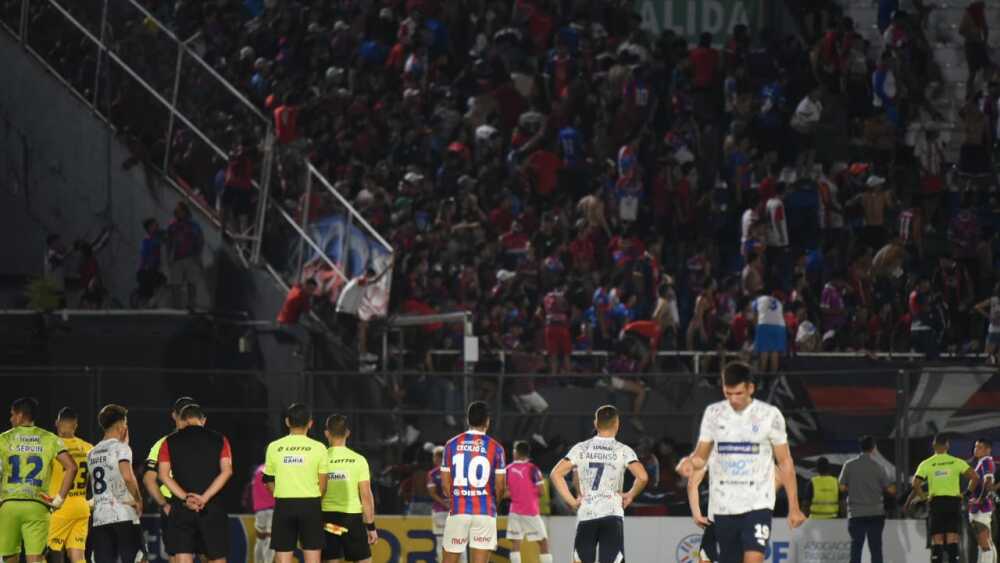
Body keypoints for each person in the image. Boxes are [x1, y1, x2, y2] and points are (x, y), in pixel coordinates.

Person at [676, 362, 806, 563]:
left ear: (750, 388)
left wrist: (794, 506)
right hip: (724, 508)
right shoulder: (713, 413)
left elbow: (785, 462)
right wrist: (689, 462)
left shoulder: (769, 416)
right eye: (728, 394)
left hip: (757, 507)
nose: (733, 400)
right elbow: (701, 456)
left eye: (738, 393)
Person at [550, 405, 649, 563]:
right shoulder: (623, 450)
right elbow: (643, 477)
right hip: (612, 513)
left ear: (595, 424)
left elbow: (556, 474)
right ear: (617, 424)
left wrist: (571, 501)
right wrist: (630, 495)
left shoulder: (581, 448)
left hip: (587, 512)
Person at [0, 398, 77, 563]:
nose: (11, 419)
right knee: (35, 560)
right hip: (38, 505)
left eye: (12, 415)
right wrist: (58, 500)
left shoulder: (4, 439)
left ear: (20, 415)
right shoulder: (49, 438)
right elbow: (71, 467)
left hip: (9, 505)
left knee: (9, 559)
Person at [157, 404, 234, 563]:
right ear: (203, 420)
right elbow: (227, 471)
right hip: (212, 507)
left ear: (182, 421)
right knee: (216, 557)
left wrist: (186, 498)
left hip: (182, 508)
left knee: (182, 555)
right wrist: (204, 498)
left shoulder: (168, 442)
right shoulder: (220, 439)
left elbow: (163, 475)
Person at [440, 401, 507, 563]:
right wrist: (493, 504)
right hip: (485, 511)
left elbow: (444, 485)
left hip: (459, 510)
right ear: (487, 421)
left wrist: (457, 499)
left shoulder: (451, 444)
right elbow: (500, 487)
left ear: (468, 420)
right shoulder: (496, 448)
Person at [264, 403, 329, 563]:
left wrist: (282, 494)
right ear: (310, 423)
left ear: (287, 422)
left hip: (284, 505)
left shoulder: (274, 447)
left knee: (284, 558)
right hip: (311, 505)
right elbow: (323, 485)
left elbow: (268, 480)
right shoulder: (320, 448)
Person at [87, 404, 145, 563]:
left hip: (100, 518)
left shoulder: (91, 452)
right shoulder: (121, 448)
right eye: (125, 423)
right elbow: (127, 476)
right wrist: (138, 499)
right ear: (120, 425)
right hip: (124, 514)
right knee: (138, 559)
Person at [144, 396, 198, 562]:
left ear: (174, 415)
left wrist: (164, 505)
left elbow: (148, 479)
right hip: (203, 502)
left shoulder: (162, 444)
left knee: (176, 556)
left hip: (175, 505)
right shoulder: (210, 441)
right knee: (210, 554)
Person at [911, 434, 979, 563]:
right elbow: (975, 477)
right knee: (952, 538)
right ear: (947, 445)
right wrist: (966, 494)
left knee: (937, 540)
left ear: (934, 446)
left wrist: (924, 498)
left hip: (936, 503)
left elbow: (915, 484)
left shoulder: (926, 463)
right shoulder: (956, 461)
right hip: (953, 503)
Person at [320, 414, 378, 563]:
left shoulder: (319, 458)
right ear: (347, 433)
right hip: (351, 520)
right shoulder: (359, 460)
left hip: (328, 520)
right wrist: (370, 526)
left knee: (331, 559)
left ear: (327, 433)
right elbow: (365, 495)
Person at [44, 407, 92, 563]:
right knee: (78, 556)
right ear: (76, 425)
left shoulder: (52, 446)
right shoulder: (88, 448)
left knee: (50, 554)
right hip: (82, 506)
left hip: (59, 507)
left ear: (57, 423)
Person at [838, 436, 896, 563]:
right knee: (875, 549)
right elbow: (890, 490)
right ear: (873, 448)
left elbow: (842, 487)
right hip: (876, 513)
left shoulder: (849, 465)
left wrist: (853, 487)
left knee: (856, 548)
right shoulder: (879, 467)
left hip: (856, 513)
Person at [505, 441, 552, 563]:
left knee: (516, 544)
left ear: (516, 452)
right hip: (530, 511)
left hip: (514, 511)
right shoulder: (534, 470)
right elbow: (542, 492)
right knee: (543, 543)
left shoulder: (507, 469)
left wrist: (516, 493)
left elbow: (504, 492)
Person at [426, 446, 460, 563]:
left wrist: (444, 504)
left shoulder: (432, 473)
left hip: (439, 511)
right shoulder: (456, 472)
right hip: (456, 511)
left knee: (441, 542)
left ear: (437, 457)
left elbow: (432, 493)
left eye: (434, 456)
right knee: (458, 542)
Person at [967, 439, 995, 563]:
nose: (976, 449)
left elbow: (988, 482)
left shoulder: (986, 462)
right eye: (975, 447)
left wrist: (979, 500)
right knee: (986, 543)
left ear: (988, 449)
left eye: (980, 447)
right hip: (980, 508)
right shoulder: (981, 462)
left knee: (985, 544)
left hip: (981, 509)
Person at [752, 292, 785, 373]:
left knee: (764, 351)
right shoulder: (777, 301)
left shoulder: (756, 300)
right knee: (775, 352)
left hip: (764, 325)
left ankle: (761, 379)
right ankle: (773, 381)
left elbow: (755, 316)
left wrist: (756, 330)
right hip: (780, 327)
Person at [251, 463, 277, 563]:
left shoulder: (257, 470)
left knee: (260, 540)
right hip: (272, 509)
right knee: (270, 539)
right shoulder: (274, 470)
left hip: (259, 510)